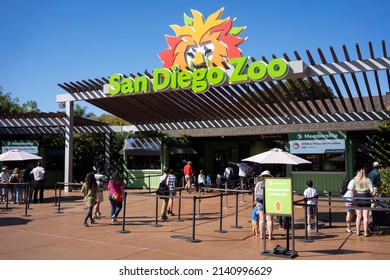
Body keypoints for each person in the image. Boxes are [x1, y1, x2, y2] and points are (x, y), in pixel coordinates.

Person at [349, 167, 374, 237]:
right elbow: (372, 190)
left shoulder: (355, 180)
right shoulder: (368, 180)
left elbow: (351, 188)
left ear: (359, 173)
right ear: (366, 173)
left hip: (357, 197)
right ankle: (366, 232)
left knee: (358, 216)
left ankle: (357, 231)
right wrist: (371, 193)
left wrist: (355, 192)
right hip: (366, 197)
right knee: (365, 217)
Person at [254, 170, 274, 240]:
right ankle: (270, 236)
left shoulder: (258, 184)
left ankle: (261, 235)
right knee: (269, 219)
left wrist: (256, 203)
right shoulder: (271, 184)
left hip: (260, 201)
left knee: (261, 219)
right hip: (269, 202)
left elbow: (255, 194)